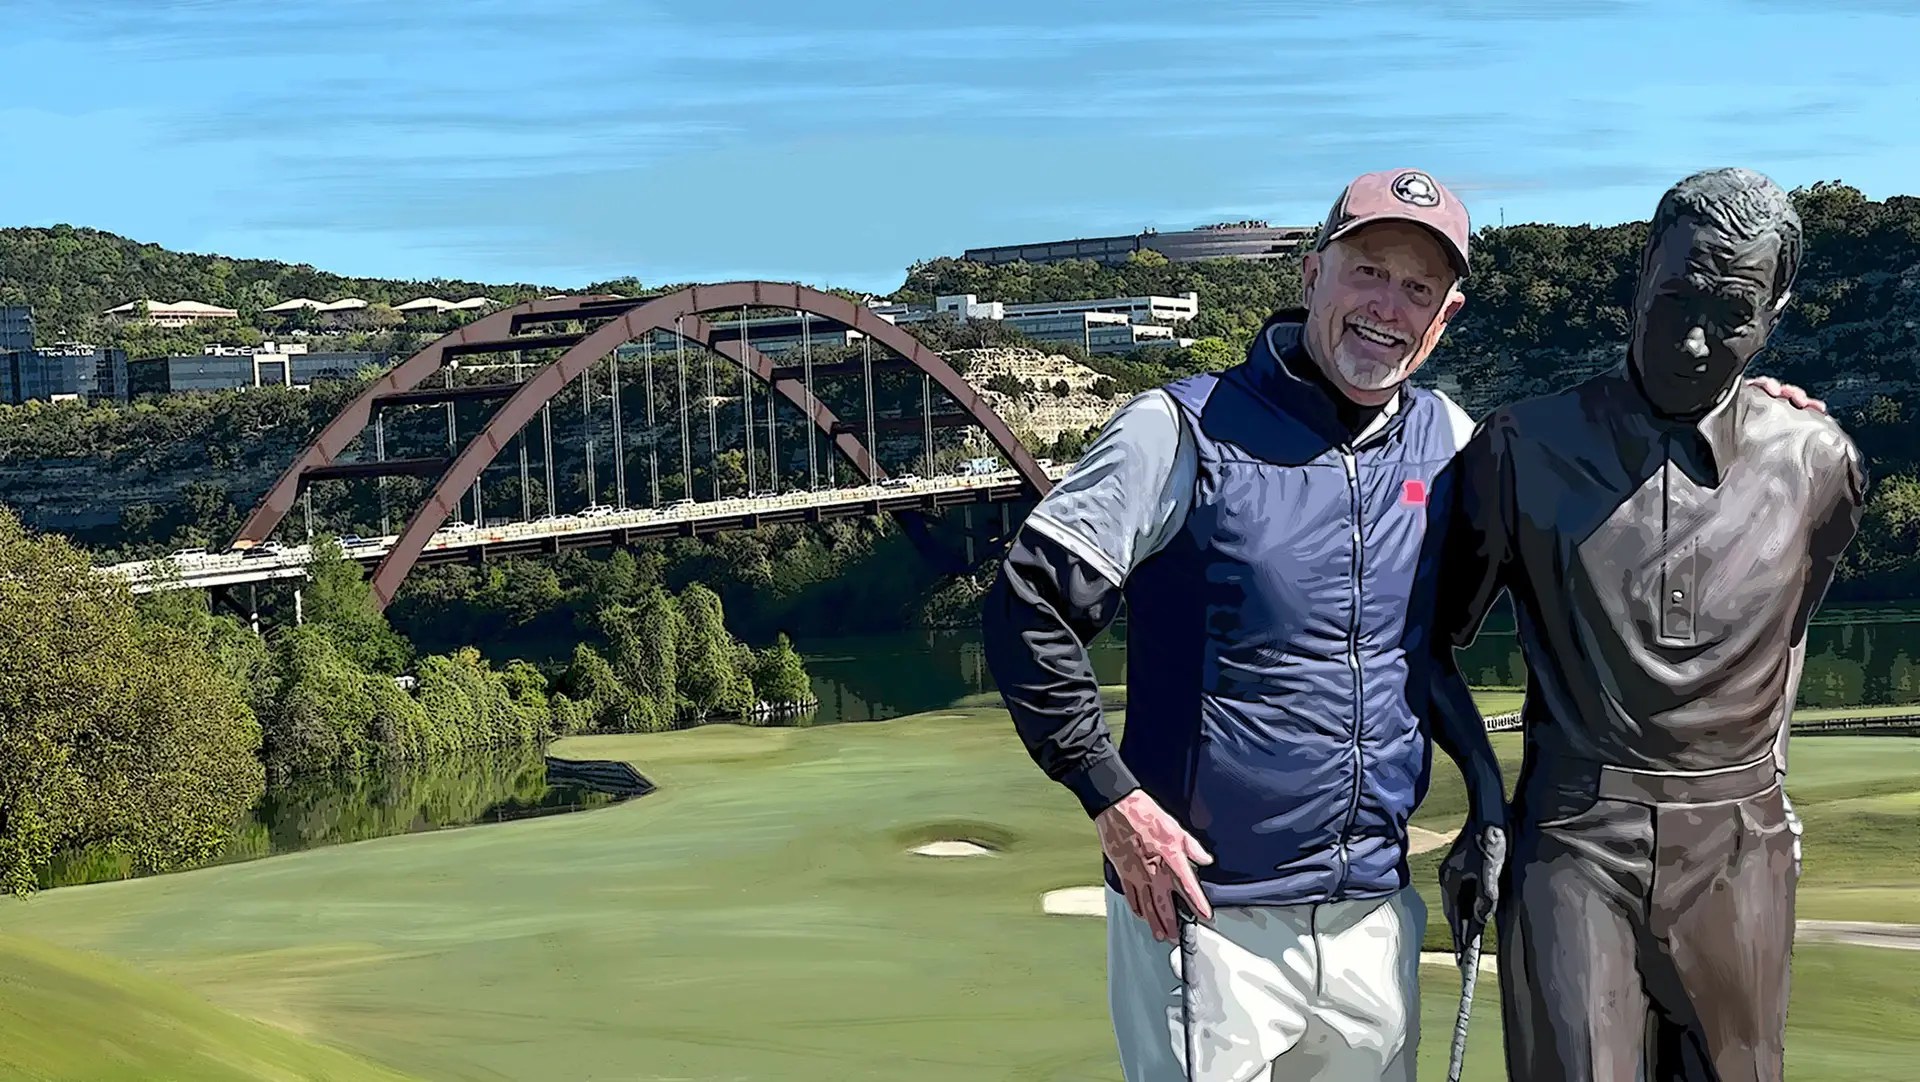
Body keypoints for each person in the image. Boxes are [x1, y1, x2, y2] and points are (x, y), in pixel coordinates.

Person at [981, 168, 1494, 1082]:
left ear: (1443, 317)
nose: (1388, 306)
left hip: (1374, 918)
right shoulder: (1178, 428)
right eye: (1368, 271)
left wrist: (1743, 414)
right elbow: (1030, 606)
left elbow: (1497, 600)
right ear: (1311, 276)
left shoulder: (1445, 440)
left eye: (1417, 288)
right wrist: (1114, 799)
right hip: (1207, 919)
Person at [1427, 166, 1865, 1082]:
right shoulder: (1518, 450)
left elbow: (1791, 629)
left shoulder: (1820, 462)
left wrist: (1768, 783)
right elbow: (1424, 647)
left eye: (1734, 312)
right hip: (1571, 842)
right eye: (1674, 300)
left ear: (1776, 313)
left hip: (1740, 853)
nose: (1696, 340)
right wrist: (1482, 801)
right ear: (1638, 278)